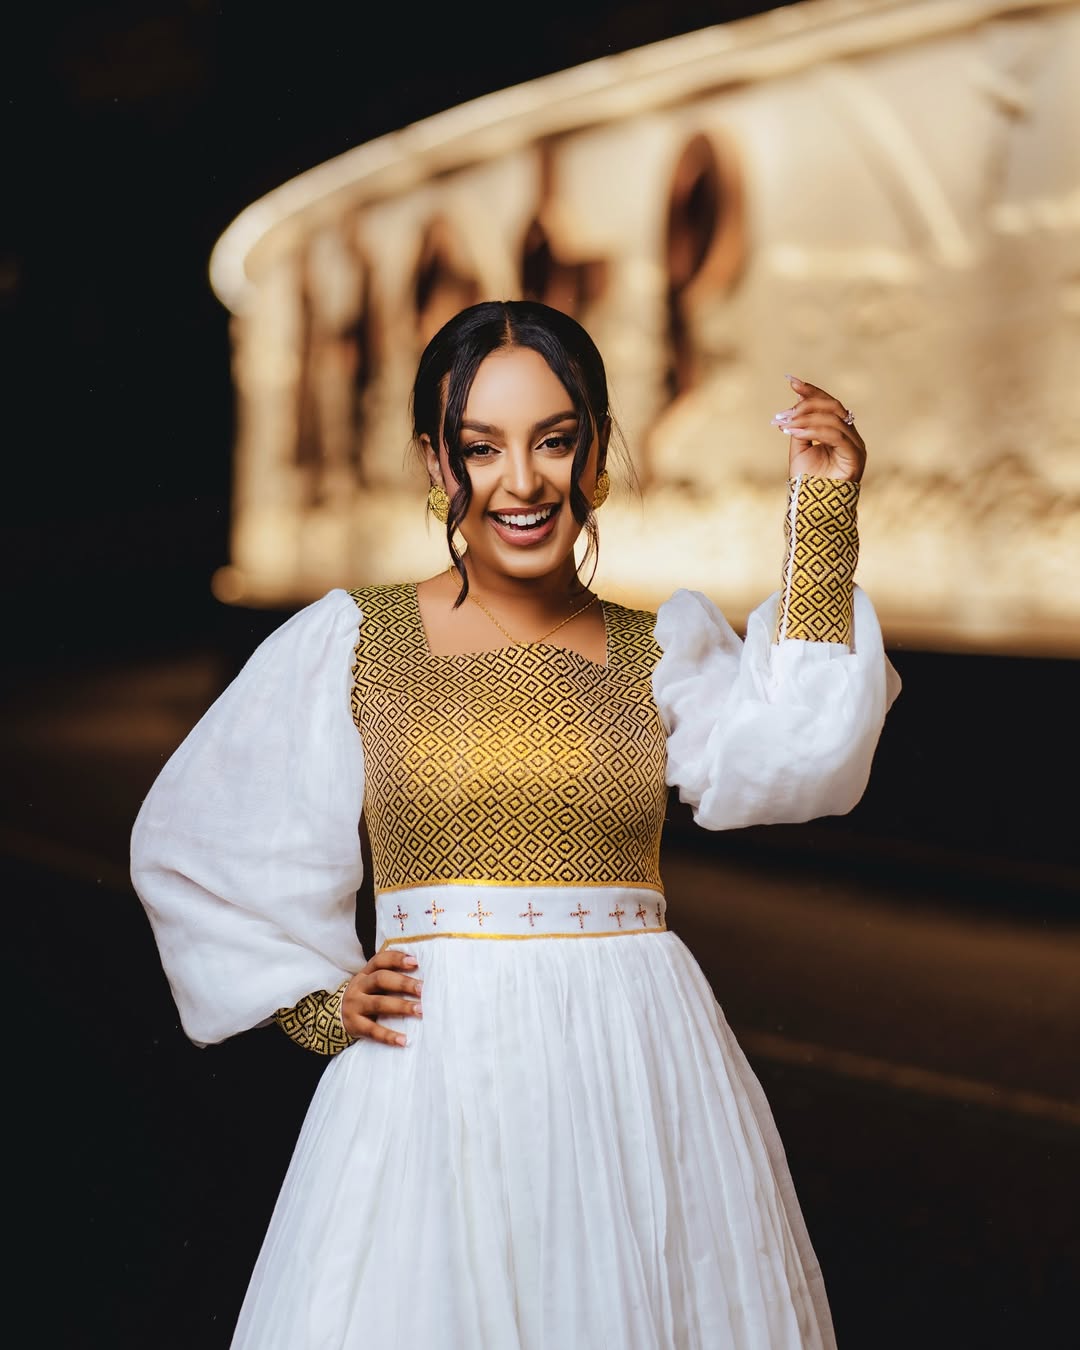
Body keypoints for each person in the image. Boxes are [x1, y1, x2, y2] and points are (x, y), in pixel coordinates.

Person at [131, 299, 900, 1349]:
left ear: (596, 452)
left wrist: (826, 511)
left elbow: (798, 759)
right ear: (436, 462)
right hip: (431, 1074)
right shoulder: (354, 642)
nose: (523, 481)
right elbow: (199, 841)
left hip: (639, 1068)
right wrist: (315, 1002)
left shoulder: (658, 650)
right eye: (482, 447)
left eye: (554, 440)